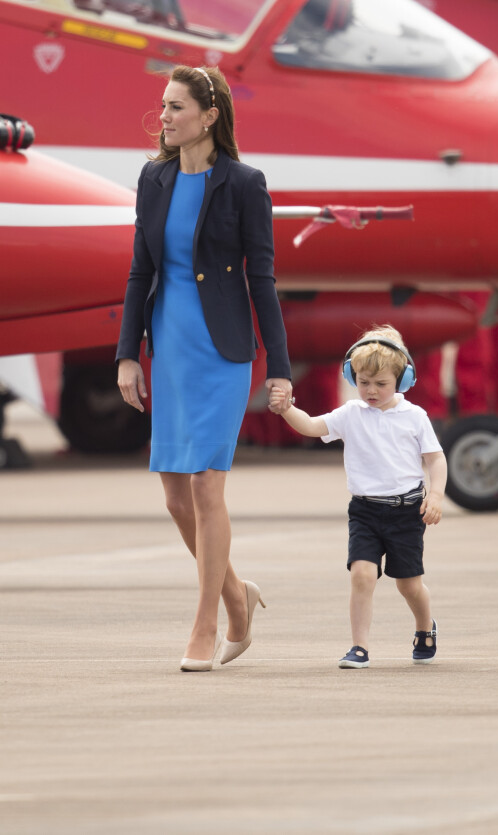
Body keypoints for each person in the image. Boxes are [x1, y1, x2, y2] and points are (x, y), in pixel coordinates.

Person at [116, 65, 293, 672]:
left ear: (209, 116)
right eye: (163, 107)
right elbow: (140, 270)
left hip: (221, 352)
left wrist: (281, 369)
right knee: (173, 495)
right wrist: (126, 355)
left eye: (176, 107)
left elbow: (262, 279)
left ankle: (206, 623)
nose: (163, 117)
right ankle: (238, 594)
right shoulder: (153, 177)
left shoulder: (245, 182)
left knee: (204, 485)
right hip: (168, 348)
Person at [269, 325, 447, 668]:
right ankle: (359, 646)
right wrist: (286, 408)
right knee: (362, 574)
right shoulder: (349, 414)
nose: (371, 390)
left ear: (402, 378)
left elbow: (435, 459)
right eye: (364, 382)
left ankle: (425, 626)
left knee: (409, 585)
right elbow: (311, 426)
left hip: (406, 511)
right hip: (364, 511)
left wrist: (436, 495)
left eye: (381, 383)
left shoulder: (415, 417)